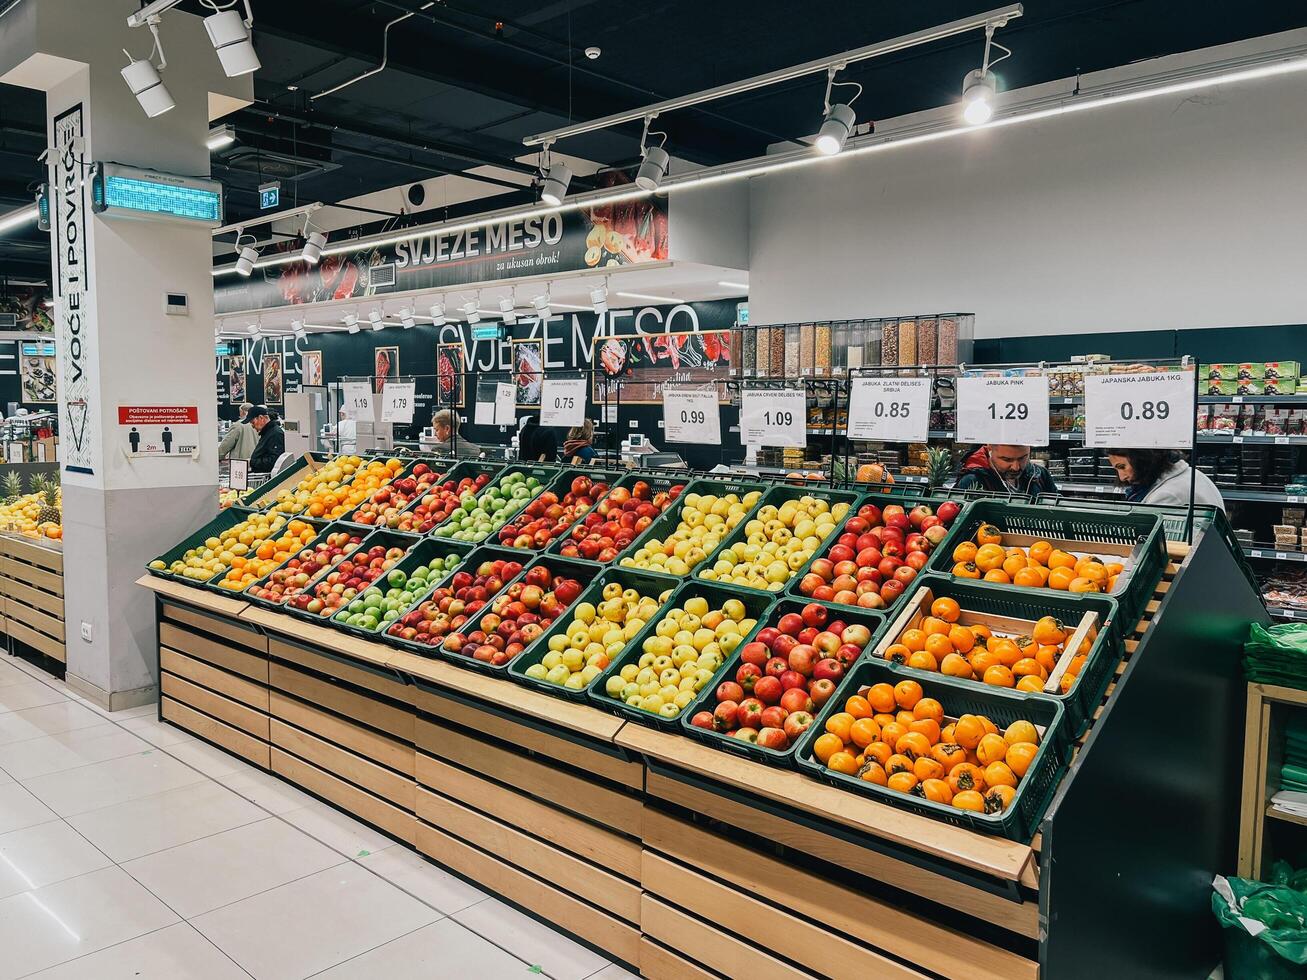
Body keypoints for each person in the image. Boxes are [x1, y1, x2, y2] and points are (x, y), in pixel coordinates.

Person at [1105, 448, 1225, 511]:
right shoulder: (1192, 474)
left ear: (1141, 460)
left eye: (1122, 467)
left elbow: (1157, 549)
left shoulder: (1166, 496)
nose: (1122, 477)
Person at [955, 444, 1059, 497]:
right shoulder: (973, 481)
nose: (1016, 467)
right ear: (990, 449)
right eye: (1007, 459)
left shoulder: (1040, 474)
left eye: (1022, 458)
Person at [246, 405, 285, 473]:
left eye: (253, 422)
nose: (252, 426)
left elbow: (274, 461)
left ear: (261, 418)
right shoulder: (267, 432)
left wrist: (252, 462)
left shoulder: (275, 434)